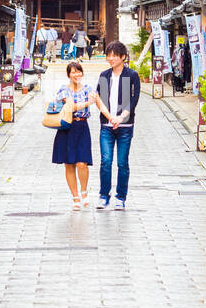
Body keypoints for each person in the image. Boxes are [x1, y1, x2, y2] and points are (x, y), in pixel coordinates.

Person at [51, 61, 108, 209]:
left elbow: (99, 104)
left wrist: (112, 117)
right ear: (68, 74)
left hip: (82, 126)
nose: (77, 74)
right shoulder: (64, 89)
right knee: (69, 164)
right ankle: (75, 197)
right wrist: (87, 103)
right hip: (67, 127)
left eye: (79, 71)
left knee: (82, 162)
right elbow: (70, 106)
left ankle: (84, 191)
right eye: (73, 72)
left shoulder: (88, 89)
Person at [95, 40, 140, 210]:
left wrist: (121, 118)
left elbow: (134, 99)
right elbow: (98, 98)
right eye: (109, 55)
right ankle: (103, 195)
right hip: (106, 125)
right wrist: (110, 117)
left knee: (122, 162)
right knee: (106, 161)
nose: (111, 58)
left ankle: (121, 197)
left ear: (123, 57)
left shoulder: (131, 75)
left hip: (125, 126)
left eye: (114, 55)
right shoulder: (104, 75)